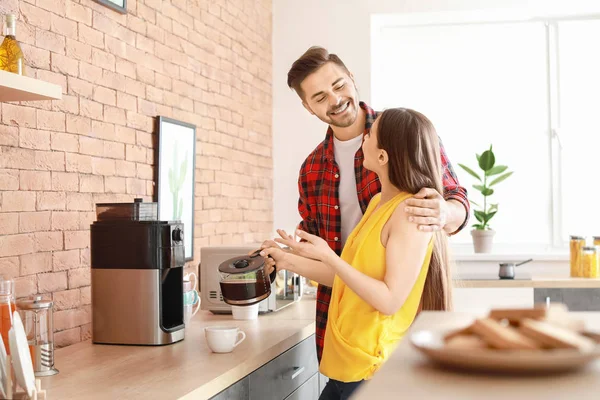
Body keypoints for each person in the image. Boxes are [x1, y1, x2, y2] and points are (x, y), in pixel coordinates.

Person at [265, 46, 469, 364]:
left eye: (338, 85)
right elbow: (322, 257)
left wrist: (444, 212)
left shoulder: (402, 134)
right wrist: (286, 257)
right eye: (319, 97)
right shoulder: (311, 169)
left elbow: (458, 203)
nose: (335, 99)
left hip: (402, 329)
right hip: (346, 331)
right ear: (308, 107)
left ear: (352, 78)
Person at [261, 108, 453, 400]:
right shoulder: (378, 202)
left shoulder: (409, 214)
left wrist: (330, 256)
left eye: (371, 134)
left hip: (373, 372)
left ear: (382, 157)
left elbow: (389, 300)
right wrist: (287, 259)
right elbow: (348, 278)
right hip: (346, 367)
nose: (364, 137)